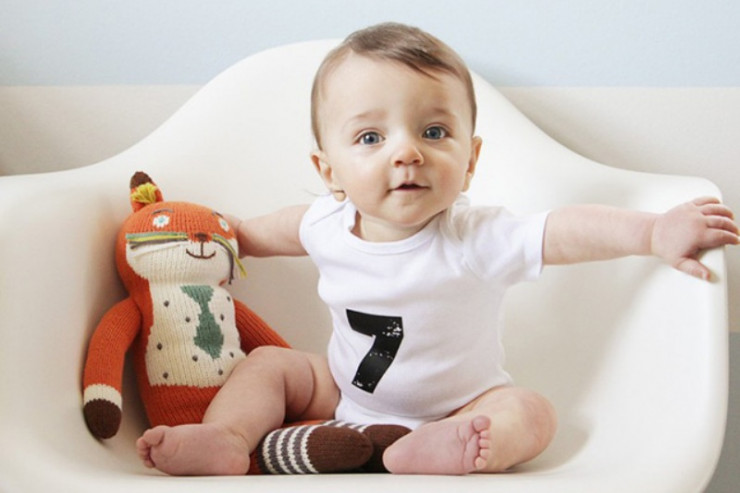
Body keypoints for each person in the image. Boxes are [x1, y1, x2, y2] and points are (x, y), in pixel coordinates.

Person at [136, 22, 739, 476]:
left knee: (531, 411)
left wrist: (651, 232)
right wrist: (215, 233)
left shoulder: (473, 238)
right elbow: (260, 233)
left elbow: (564, 230)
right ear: (329, 171)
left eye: (434, 131)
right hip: (344, 394)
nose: (407, 152)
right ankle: (227, 438)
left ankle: (451, 448)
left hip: (462, 405)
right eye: (371, 137)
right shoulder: (324, 222)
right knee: (269, 365)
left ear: (470, 160)